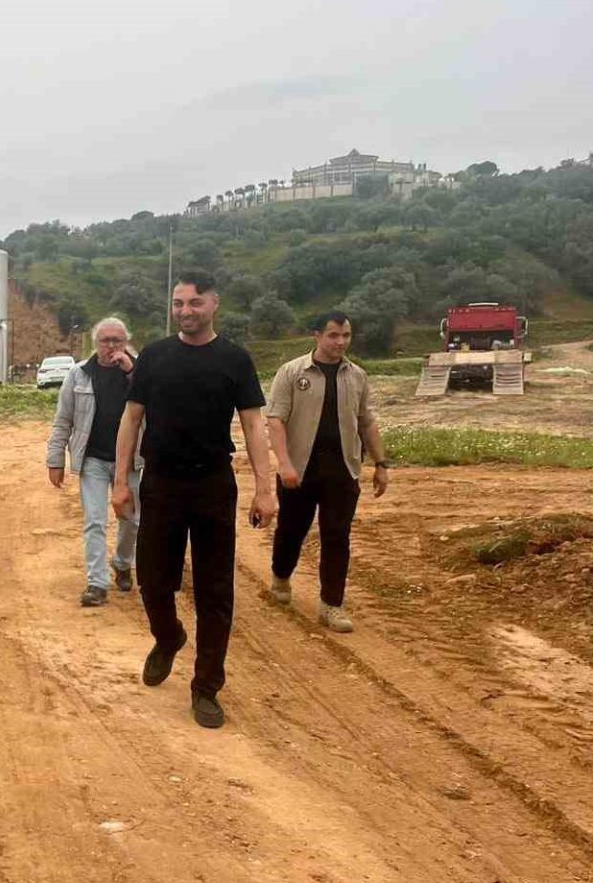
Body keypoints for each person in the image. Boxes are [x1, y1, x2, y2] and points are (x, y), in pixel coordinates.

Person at [112, 272, 275, 730]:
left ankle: (206, 688)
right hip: (161, 482)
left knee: (214, 590)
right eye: (179, 303)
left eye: (194, 303)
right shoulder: (154, 357)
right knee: (152, 579)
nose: (185, 311)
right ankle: (168, 637)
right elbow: (131, 419)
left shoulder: (235, 360)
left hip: (212, 484)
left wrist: (265, 489)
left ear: (214, 304)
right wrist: (120, 482)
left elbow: (254, 426)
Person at [265, 311, 390, 633]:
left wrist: (380, 463)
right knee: (291, 531)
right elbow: (275, 420)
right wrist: (284, 463)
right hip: (300, 470)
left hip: (342, 470)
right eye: (333, 335)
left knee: (337, 536)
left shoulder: (357, 376)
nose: (341, 342)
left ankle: (331, 604)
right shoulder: (292, 372)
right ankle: (281, 577)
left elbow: (366, 421)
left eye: (346, 335)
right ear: (317, 335)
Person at [45, 317, 140, 607]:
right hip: (93, 459)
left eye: (117, 340)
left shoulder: (140, 372)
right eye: (105, 340)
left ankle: (122, 562)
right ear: (95, 343)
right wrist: (55, 459)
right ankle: (97, 583)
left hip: (131, 460)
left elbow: (158, 404)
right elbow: (63, 419)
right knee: (95, 521)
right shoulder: (79, 374)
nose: (111, 346)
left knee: (132, 520)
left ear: (126, 342)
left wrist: (131, 373)